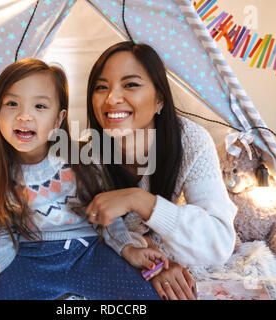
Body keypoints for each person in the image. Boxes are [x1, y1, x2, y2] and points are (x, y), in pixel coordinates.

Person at [0, 58, 168, 300]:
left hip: (89, 252)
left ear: (58, 119)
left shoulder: (84, 160)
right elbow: (4, 234)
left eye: (40, 106)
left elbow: (107, 218)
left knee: (146, 295)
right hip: (30, 257)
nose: (24, 116)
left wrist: (127, 248)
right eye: (12, 103)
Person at [84, 41, 238, 300]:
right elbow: (92, 229)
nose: (112, 99)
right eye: (101, 87)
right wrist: (154, 257)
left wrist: (139, 199)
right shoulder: (88, 155)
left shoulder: (191, 141)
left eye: (130, 84)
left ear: (159, 99)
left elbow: (219, 242)